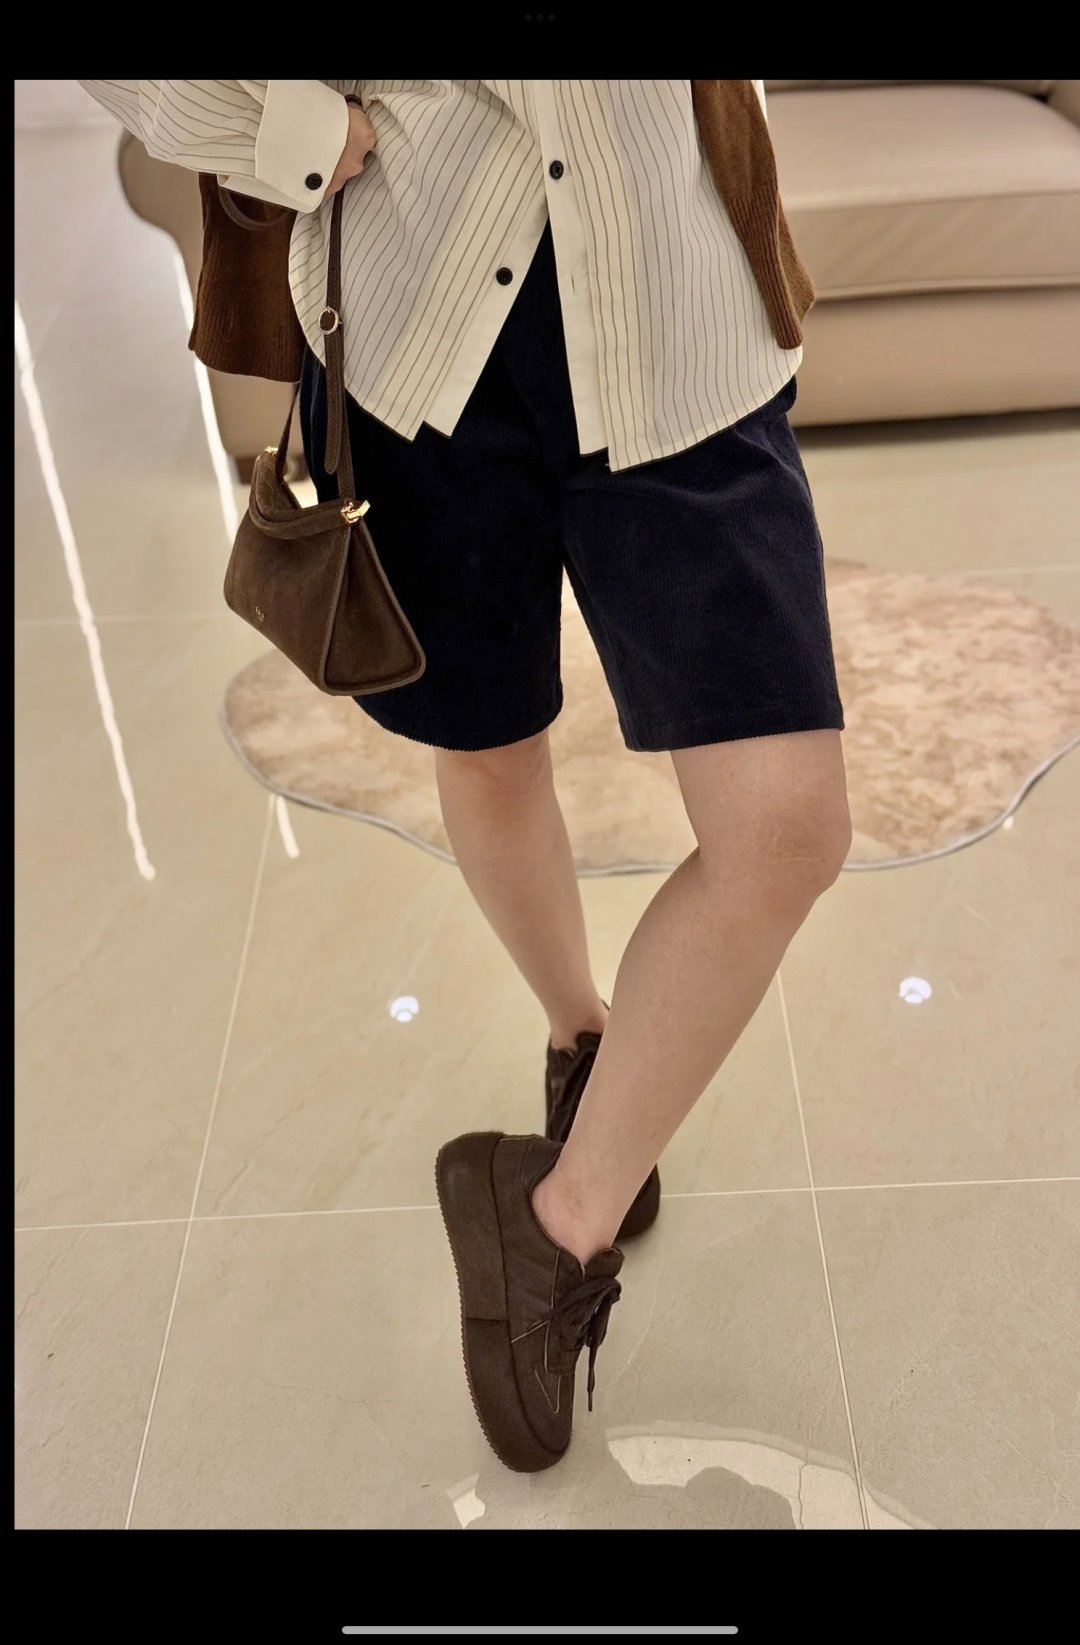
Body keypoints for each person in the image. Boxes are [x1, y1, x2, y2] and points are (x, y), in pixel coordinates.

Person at [82, 79, 851, 1474]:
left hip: (675, 326)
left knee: (785, 829)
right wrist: (279, 124)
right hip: (424, 335)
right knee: (489, 745)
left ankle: (554, 1222)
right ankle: (582, 1035)